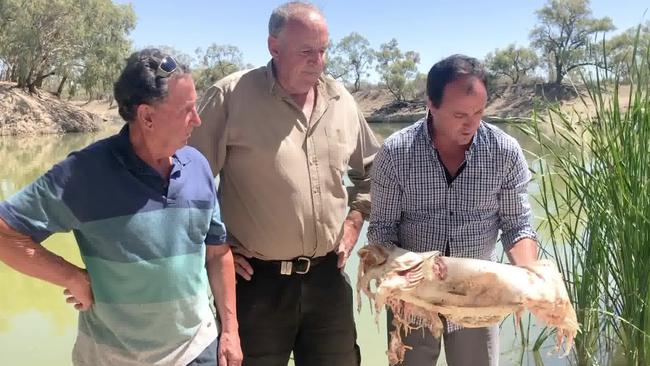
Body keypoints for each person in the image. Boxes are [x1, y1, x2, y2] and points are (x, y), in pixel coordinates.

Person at [0, 48, 242, 366]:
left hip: (197, 350)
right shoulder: (84, 173)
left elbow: (217, 252)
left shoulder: (197, 165)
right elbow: (6, 233)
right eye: (187, 110)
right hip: (113, 357)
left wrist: (230, 331)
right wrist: (71, 277)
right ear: (147, 117)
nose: (197, 120)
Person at [189, 2, 380, 365]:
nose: (318, 61)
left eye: (323, 50)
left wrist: (355, 221)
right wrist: (214, 242)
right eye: (306, 51)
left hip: (328, 278)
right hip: (254, 285)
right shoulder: (231, 97)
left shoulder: (340, 99)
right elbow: (183, 184)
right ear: (273, 47)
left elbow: (375, 173)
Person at [367, 54, 538, 366]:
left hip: (480, 298)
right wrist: (410, 272)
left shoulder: (505, 152)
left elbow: (518, 226)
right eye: (459, 114)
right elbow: (382, 230)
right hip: (412, 297)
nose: (471, 123)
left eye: (479, 112)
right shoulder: (395, 153)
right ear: (431, 104)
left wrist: (531, 276)